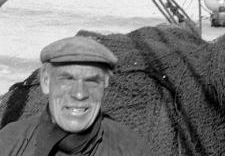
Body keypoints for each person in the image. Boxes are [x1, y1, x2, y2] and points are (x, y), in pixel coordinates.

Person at [0, 35, 152, 155]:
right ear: (46, 82)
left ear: (105, 85)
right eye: (67, 79)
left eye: (91, 81)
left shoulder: (131, 149)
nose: (79, 94)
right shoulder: (9, 142)